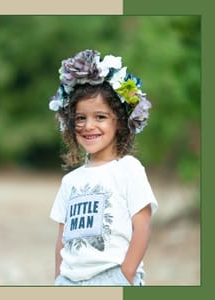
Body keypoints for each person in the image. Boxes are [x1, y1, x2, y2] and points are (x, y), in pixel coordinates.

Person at [48, 50, 158, 286]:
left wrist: (126, 275)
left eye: (100, 117)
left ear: (120, 122)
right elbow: (62, 238)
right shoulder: (70, 181)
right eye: (80, 118)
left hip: (113, 277)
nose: (89, 126)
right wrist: (59, 279)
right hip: (70, 281)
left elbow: (142, 227)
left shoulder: (129, 169)